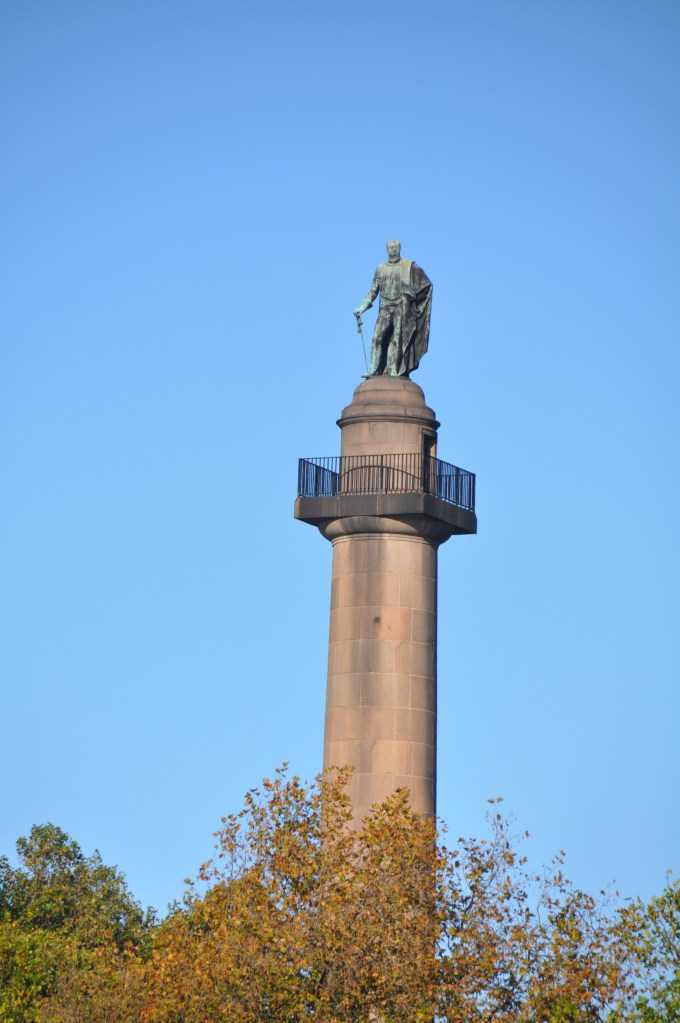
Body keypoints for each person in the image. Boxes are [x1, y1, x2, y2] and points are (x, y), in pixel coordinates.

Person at [353, 240, 432, 377]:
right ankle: (373, 369)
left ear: (400, 248)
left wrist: (412, 297)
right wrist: (362, 307)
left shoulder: (408, 266)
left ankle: (393, 370)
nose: (393, 250)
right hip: (385, 307)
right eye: (390, 248)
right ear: (387, 250)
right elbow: (372, 291)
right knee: (377, 337)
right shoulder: (381, 268)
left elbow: (426, 284)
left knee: (397, 338)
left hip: (401, 306)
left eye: (395, 247)